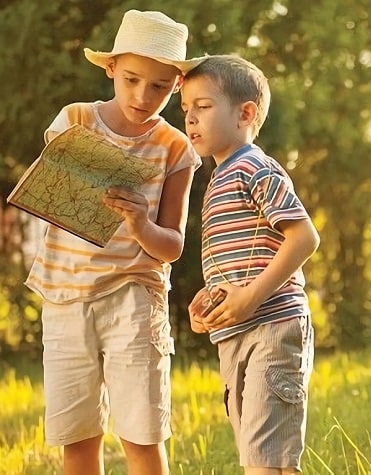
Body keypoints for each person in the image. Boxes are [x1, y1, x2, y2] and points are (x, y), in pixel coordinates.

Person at [24, 10, 204, 475]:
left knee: (142, 436)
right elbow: (47, 190)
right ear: (109, 69)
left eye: (160, 87)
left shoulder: (175, 148)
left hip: (134, 299)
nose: (143, 96)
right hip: (65, 297)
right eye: (131, 80)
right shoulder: (76, 119)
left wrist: (141, 222)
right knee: (78, 438)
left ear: (177, 86)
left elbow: (172, 246)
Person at [182, 55, 320, 474]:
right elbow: (240, 257)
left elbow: (304, 237)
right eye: (185, 110)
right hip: (235, 333)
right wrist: (209, 299)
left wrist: (252, 297)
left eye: (202, 107)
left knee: (268, 461)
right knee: (257, 457)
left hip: (273, 326)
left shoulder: (254, 168)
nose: (190, 119)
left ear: (245, 113)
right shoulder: (219, 179)